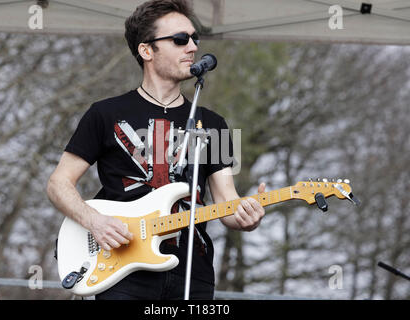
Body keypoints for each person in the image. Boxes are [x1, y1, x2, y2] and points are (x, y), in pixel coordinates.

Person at [46, 0, 265, 300]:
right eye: (179, 39)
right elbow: (58, 183)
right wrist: (94, 221)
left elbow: (228, 204)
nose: (191, 47)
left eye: (194, 38)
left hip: (193, 272)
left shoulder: (214, 123)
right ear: (146, 50)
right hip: (122, 269)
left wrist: (247, 217)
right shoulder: (104, 113)